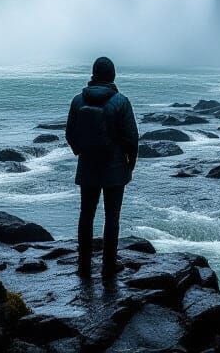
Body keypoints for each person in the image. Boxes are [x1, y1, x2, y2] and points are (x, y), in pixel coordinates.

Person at [65, 56, 139, 278]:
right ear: (113, 75)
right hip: (115, 168)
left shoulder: (78, 101)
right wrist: (130, 164)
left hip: (87, 166)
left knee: (86, 215)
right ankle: (108, 265)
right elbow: (132, 138)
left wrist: (81, 151)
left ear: (93, 74)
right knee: (112, 217)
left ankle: (84, 264)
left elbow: (70, 134)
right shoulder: (121, 101)